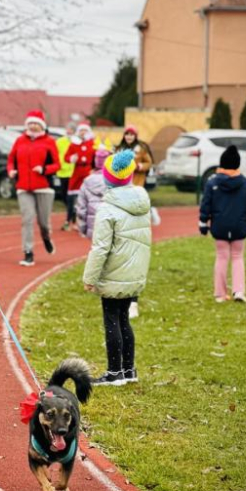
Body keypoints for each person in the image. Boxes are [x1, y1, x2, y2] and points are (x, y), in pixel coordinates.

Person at [82, 149, 152, 386]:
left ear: (107, 178)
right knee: (124, 319)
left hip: (114, 272)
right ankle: (129, 369)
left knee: (112, 319)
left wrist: (89, 277)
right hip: (134, 271)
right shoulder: (141, 201)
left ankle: (114, 373)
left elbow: (100, 248)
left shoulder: (107, 208)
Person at [199, 146, 246, 304]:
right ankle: (239, 291)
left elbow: (205, 205)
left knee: (221, 257)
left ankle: (220, 294)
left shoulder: (212, 182)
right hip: (239, 228)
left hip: (219, 227)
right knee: (238, 257)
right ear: (237, 164)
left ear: (222, 164)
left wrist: (203, 224)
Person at [7, 109, 60, 266]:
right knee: (27, 219)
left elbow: (57, 165)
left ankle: (46, 237)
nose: (33, 126)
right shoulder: (19, 140)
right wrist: (11, 171)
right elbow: (11, 159)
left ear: (41, 125)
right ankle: (28, 252)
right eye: (30, 123)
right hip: (23, 187)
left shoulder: (49, 142)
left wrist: (44, 170)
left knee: (43, 222)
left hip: (43, 187)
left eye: (36, 123)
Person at [116, 124, 156, 318]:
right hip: (122, 189)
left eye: (132, 134)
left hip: (137, 187)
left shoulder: (141, 149)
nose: (129, 137)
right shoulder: (119, 149)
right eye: (127, 134)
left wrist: (141, 167)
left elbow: (149, 163)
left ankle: (132, 301)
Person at [62, 123, 96, 230]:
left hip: (89, 172)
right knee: (73, 198)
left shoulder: (93, 144)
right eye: (81, 131)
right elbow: (66, 157)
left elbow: (98, 157)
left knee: (89, 198)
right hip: (77, 171)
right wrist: (72, 158)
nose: (83, 133)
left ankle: (87, 221)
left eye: (85, 131)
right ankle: (71, 220)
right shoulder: (74, 144)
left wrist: (94, 169)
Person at [76, 146, 112, 239]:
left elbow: (81, 208)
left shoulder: (87, 181)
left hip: (93, 225)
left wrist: (82, 228)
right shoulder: (116, 182)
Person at [55, 123, 76, 230]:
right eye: (68, 129)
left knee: (70, 196)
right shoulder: (59, 141)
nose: (69, 131)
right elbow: (55, 154)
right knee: (63, 196)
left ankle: (70, 218)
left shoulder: (76, 142)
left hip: (73, 172)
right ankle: (73, 211)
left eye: (71, 129)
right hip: (62, 172)